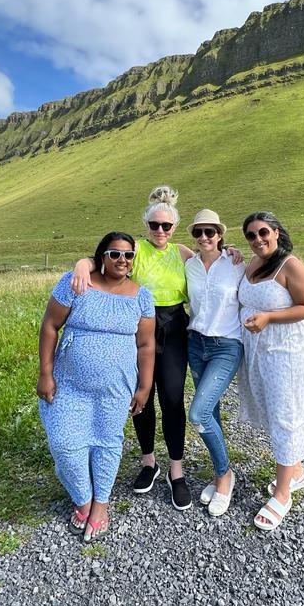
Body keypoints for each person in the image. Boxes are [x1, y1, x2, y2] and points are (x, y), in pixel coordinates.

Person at [73, 186, 195, 510]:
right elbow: (103, 256)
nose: (160, 231)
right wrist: (82, 265)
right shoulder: (135, 250)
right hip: (139, 325)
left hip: (174, 327)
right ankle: (148, 462)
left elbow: (211, 264)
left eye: (166, 226)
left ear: (174, 227)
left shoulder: (182, 253)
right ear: (146, 225)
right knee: (141, 395)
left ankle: (176, 471)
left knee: (171, 398)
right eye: (154, 225)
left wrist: (233, 254)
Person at [38, 232, 155, 542]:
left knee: (107, 442)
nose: (121, 260)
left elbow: (145, 344)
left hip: (116, 387)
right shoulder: (77, 282)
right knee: (65, 444)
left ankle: (100, 504)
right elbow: (50, 326)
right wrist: (45, 373)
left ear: (133, 261)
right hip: (69, 383)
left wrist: (144, 387)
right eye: (114, 254)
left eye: (128, 255)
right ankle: (83, 498)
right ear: (102, 256)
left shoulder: (141, 296)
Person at [237, 211, 304, 531]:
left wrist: (269, 318)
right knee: (272, 411)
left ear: (277, 232)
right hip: (257, 351)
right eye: (251, 236)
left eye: (263, 232)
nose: (258, 240)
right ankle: (295, 471)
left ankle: (283, 493)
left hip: (286, 351)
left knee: (287, 414)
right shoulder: (251, 264)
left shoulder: (290, 265)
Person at [184, 209, 245, 517]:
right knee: (213, 413)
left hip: (227, 345)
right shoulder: (189, 264)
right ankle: (219, 472)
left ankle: (224, 476)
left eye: (210, 232)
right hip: (196, 344)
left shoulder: (237, 263)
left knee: (198, 412)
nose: (204, 237)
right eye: (198, 232)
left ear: (220, 234)